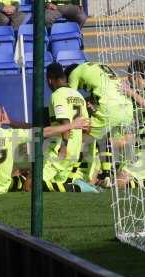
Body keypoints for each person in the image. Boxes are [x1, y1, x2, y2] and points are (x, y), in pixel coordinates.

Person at [64, 62, 134, 186]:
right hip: (127, 110)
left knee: (82, 136)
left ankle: (71, 175)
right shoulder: (97, 67)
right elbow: (103, 92)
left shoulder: (74, 73)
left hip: (110, 110)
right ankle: (107, 174)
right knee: (105, 137)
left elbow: (70, 98)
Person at [42, 63, 92, 192]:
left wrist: (64, 147)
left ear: (49, 79)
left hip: (59, 148)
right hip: (75, 150)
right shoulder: (78, 95)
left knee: (32, 184)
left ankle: (77, 188)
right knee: (57, 189)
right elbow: (87, 126)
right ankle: (78, 187)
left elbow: (64, 122)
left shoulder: (57, 94)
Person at [116, 59, 145, 189]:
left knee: (119, 179)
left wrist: (130, 92)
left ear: (136, 76)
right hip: (140, 149)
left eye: (129, 75)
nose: (128, 79)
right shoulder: (139, 95)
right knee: (117, 171)